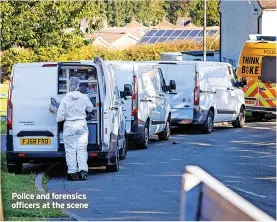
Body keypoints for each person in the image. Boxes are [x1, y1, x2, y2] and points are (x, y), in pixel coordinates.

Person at [56, 77, 93, 181]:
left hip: (69, 126)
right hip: (82, 124)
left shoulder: (64, 99)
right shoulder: (84, 97)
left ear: (69, 85)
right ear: (78, 85)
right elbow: (90, 108)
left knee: (70, 150)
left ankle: (73, 173)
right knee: (81, 149)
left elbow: (60, 117)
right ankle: (83, 172)